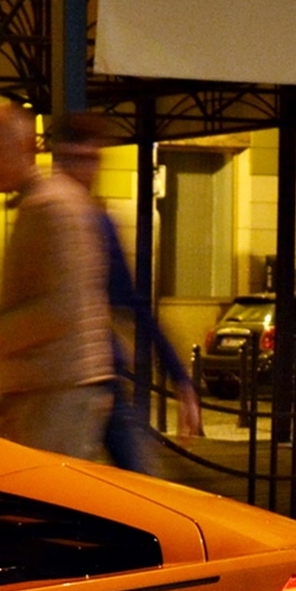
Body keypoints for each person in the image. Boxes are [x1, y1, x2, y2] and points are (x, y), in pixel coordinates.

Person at [46, 117, 202, 474]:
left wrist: (179, 376)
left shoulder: (97, 222)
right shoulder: (52, 217)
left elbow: (132, 303)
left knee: (139, 484)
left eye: (92, 159)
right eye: (76, 159)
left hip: (98, 373)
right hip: (62, 380)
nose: (86, 171)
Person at [0, 104, 111, 460]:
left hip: (57, 392)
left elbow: (62, 308)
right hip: (51, 391)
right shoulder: (49, 202)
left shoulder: (50, 206)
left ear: (25, 147)